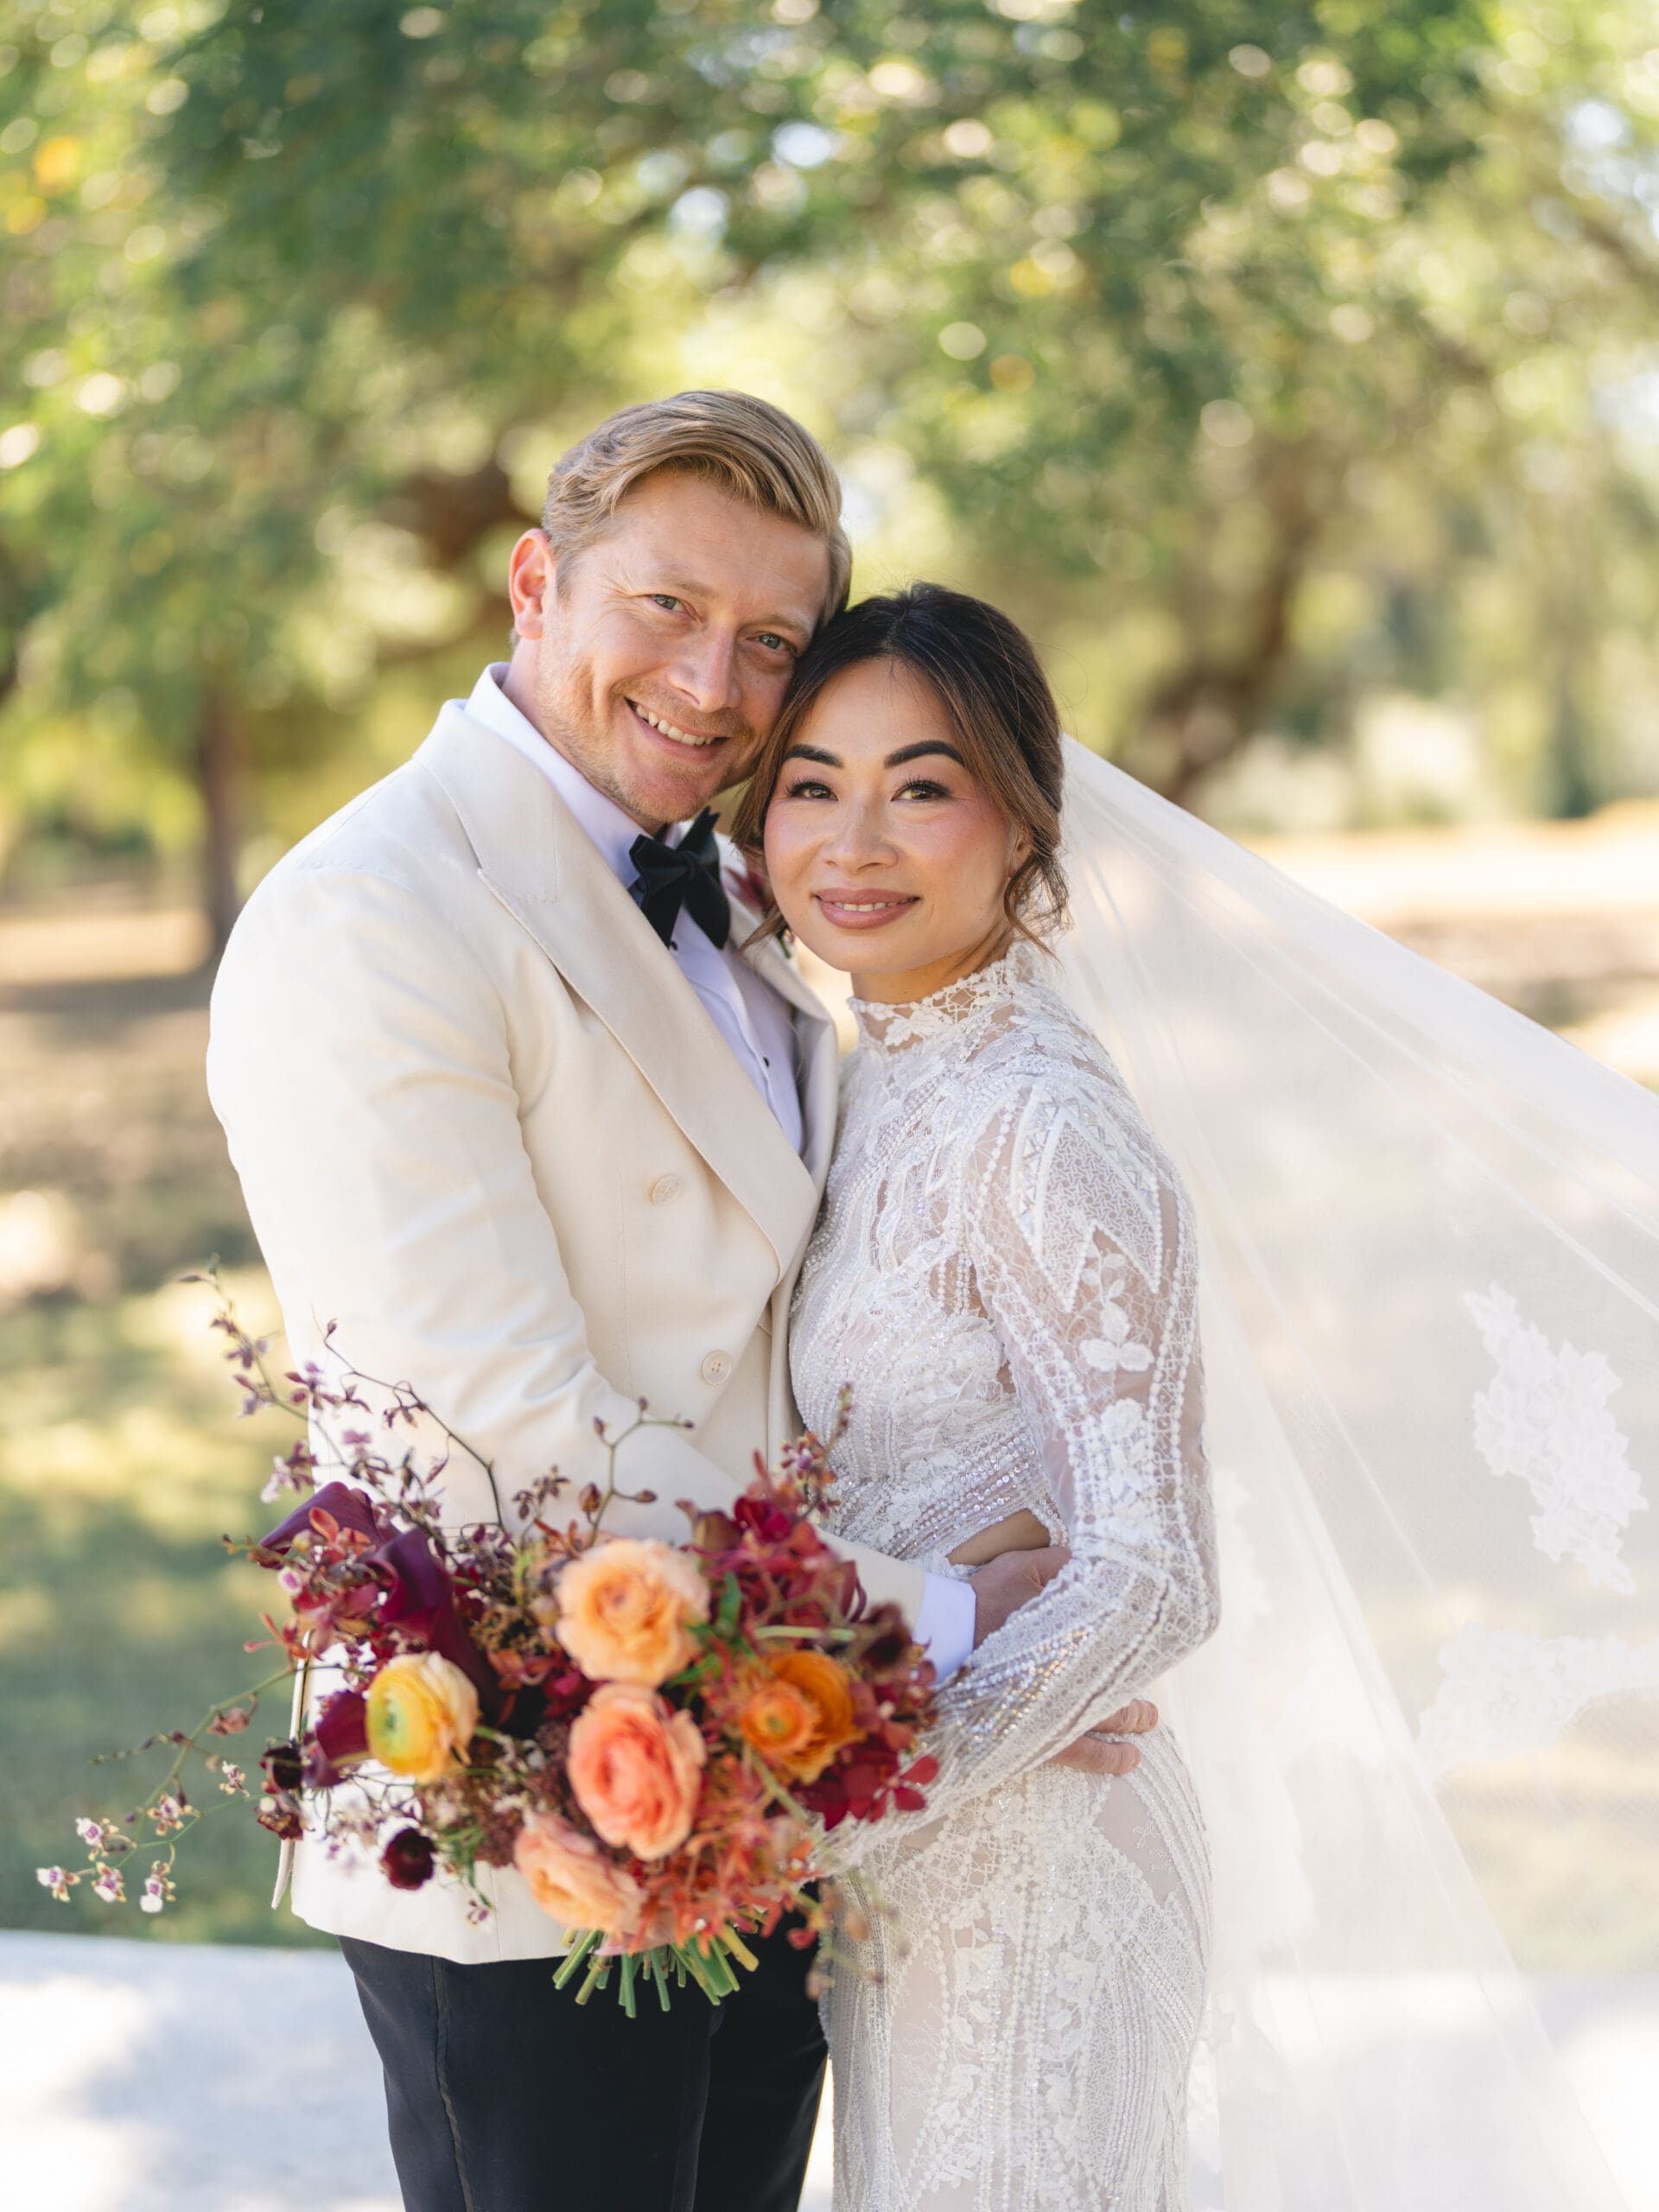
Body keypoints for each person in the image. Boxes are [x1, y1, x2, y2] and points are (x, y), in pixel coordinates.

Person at [206, 392, 1154, 2212]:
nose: (716, 684)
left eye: (770, 642)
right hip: (527, 1831)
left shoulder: (733, 881)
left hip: (776, 1799)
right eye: (665, 608)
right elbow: (506, 1441)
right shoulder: (377, 914)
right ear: (537, 584)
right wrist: (948, 1617)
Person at [734, 585, 1219, 2210]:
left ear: (1019, 819)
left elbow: (1155, 1571)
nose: (854, 840)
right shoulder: (881, 1070)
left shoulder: (1041, 1122)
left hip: (1039, 1890)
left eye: (920, 785)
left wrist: (820, 1822)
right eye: (813, 782)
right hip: (923, 1881)